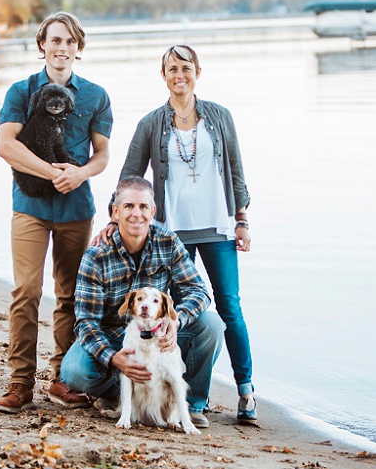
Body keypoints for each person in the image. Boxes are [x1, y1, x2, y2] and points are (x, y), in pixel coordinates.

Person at [94, 44, 257, 423]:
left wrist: (242, 218)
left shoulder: (220, 117)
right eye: (172, 69)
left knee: (228, 306)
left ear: (198, 71)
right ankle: (191, 400)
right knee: (175, 313)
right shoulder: (151, 123)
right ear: (163, 75)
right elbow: (129, 177)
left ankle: (246, 390)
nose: (179, 75)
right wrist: (113, 217)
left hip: (217, 227)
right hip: (171, 232)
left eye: (186, 68)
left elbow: (236, 169)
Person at [0, 12, 113, 413]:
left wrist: (79, 174)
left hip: (77, 209)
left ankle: (61, 379)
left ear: (79, 49)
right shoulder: (21, 91)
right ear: (42, 44)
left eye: (70, 42)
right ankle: (19, 384)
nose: (62, 48)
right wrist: (51, 173)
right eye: (55, 40)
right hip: (30, 206)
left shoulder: (96, 95)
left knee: (71, 295)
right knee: (26, 291)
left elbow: (102, 155)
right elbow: (6, 146)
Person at [60, 176, 225, 428]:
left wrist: (176, 319)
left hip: (156, 336)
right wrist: (113, 357)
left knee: (211, 324)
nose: (136, 214)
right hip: (114, 338)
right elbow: (85, 322)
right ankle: (120, 394)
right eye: (128, 206)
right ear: (115, 211)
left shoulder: (168, 242)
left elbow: (199, 291)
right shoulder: (96, 256)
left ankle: (190, 404)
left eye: (143, 207)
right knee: (74, 371)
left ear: (153, 211)